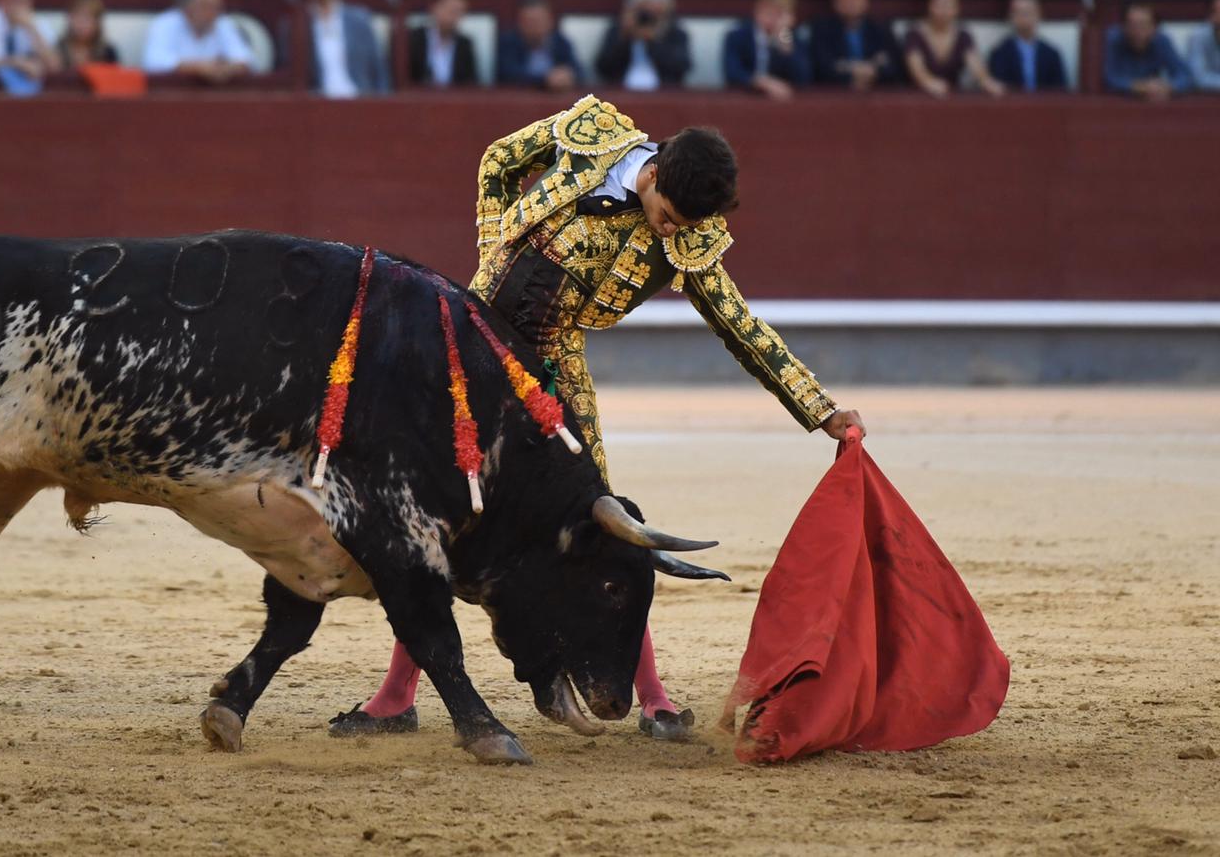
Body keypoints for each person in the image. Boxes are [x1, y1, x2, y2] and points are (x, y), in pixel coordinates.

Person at [327, 93, 866, 743]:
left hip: (553, 368)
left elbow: (741, 327)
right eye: (667, 215)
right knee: (438, 513)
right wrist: (493, 250)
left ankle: (656, 699)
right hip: (469, 342)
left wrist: (820, 410)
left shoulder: (688, 240)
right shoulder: (594, 133)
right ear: (654, 171)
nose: (670, 232)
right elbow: (498, 162)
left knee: (605, 529)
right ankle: (394, 697)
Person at [302, 0, 389, 96]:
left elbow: (379, 71)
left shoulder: (359, 19)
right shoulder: (299, 23)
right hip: (316, 105)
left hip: (358, 101)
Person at [141, 0, 258, 80]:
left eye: (217, 6)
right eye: (207, 6)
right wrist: (199, 68)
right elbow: (154, 62)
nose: (214, 12)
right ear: (188, 8)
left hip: (216, 96)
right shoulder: (165, 24)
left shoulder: (222, 23)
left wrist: (225, 69)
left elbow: (247, 61)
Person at [904, 0, 1005, 98]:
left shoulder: (963, 35)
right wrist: (928, 82)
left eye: (947, 3)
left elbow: (975, 64)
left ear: (956, 9)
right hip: (918, 98)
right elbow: (916, 67)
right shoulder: (915, 34)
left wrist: (986, 81)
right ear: (930, 6)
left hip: (950, 96)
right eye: (939, 3)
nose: (943, 8)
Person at [807, 0, 902, 89]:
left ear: (865, 1)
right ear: (835, 3)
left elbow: (894, 65)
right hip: (836, 95)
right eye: (846, 0)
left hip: (877, 93)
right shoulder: (822, 29)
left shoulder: (880, 27)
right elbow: (821, 67)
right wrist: (854, 72)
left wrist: (872, 72)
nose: (851, 5)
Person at [595, 0, 691, 90]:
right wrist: (625, 37)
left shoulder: (675, 33)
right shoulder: (618, 30)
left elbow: (681, 69)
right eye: (648, 3)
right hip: (620, 92)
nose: (653, 10)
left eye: (659, 4)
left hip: (664, 93)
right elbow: (603, 68)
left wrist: (653, 41)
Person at [723, 0, 811, 99]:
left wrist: (784, 41)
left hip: (782, 103)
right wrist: (762, 82)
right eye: (769, 11)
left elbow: (803, 78)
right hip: (743, 99)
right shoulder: (737, 35)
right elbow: (732, 72)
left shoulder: (791, 37)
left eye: (779, 13)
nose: (773, 17)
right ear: (757, 10)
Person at [1104, 1, 1194, 98]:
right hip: (1119, 101)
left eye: (1143, 25)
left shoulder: (1161, 41)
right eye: (1132, 25)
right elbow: (1108, 78)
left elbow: (1185, 75)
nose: (1137, 31)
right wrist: (1139, 87)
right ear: (1124, 27)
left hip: (1152, 99)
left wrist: (1168, 87)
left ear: (1154, 27)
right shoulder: (1113, 40)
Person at [495, 0, 582, 89]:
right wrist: (545, 80)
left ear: (550, 21)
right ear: (519, 23)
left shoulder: (560, 42)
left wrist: (568, 75)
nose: (534, 27)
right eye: (529, 22)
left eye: (538, 21)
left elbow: (579, 71)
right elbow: (508, 75)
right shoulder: (508, 44)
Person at [986, 0, 1067, 92]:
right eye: (1019, 12)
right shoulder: (999, 54)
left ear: (1039, 14)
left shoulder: (1052, 54)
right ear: (1011, 16)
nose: (1024, 18)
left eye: (1028, 12)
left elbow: (1060, 93)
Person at [407, 0, 478, 86]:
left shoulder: (464, 43)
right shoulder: (414, 38)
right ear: (434, 8)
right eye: (451, 11)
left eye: (460, 12)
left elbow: (470, 82)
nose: (455, 17)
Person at [57, 0, 120, 68]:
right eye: (77, 17)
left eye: (87, 18)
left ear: (97, 22)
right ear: (69, 18)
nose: (81, 24)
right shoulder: (60, 48)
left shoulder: (108, 52)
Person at [1185, 0, 1220, 89]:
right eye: (1218, 11)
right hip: (1208, 97)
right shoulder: (1198, 37)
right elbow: (1198, 78)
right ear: (1210, 16)